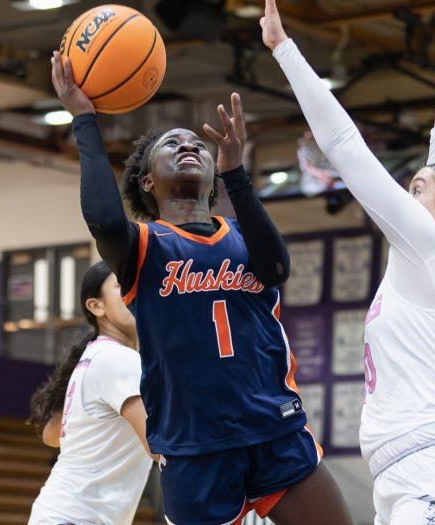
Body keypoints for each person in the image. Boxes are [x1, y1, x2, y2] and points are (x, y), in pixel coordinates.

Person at [50, 51, 353, 525]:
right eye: (172, 144)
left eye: (197, 145)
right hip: (195, 446)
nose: (188, 147)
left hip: (273, 429)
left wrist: (237, 173)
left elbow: (276, 268)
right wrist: (85, 119)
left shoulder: (241, 232)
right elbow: (104, 218)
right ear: (147, 180)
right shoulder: (142, 247)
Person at [260, 1, 435, 524]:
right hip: (412, 473)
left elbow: (341, 144)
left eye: (417, 190)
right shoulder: (433, 260)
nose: (405, 196)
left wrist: (283, 49)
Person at [28, 261, 154, 525]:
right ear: (96, 306)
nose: (136, 293)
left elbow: (53, 435)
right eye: (123, 286)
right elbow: (159, 445)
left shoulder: (94, 356)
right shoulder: (119, 360)